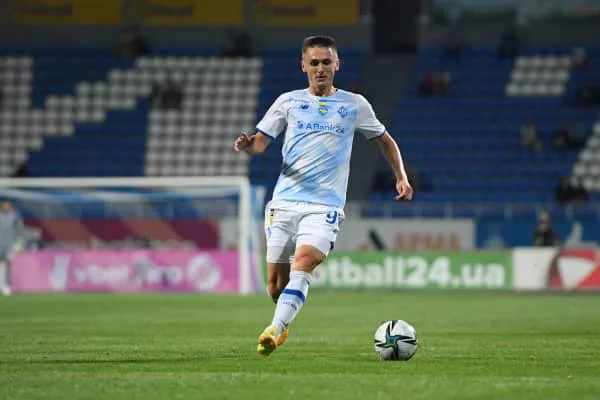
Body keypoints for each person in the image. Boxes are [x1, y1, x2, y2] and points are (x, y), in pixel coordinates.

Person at [233, 35, 413, 357]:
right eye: (314, 62)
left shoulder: (354, 105)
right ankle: (283, 319)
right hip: (284, 202)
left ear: (337, 65)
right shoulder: (288, 102)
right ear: (303, 65)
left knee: (304, 262)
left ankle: (274, 329)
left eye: (326, 62)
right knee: (275, 286)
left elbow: (385, 139)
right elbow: (260, 142)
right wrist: (248, 145)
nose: (320, 68)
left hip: (324, 206)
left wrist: (401, 176)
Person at [0, 198, 25, 295]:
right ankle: (1, 283)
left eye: (8, 205)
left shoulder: (15, 216)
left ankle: (6, 285)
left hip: (10, 244)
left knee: (8, 263)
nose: (6, 206)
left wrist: (19, 245)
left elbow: (20, 231)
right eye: (4, 204)